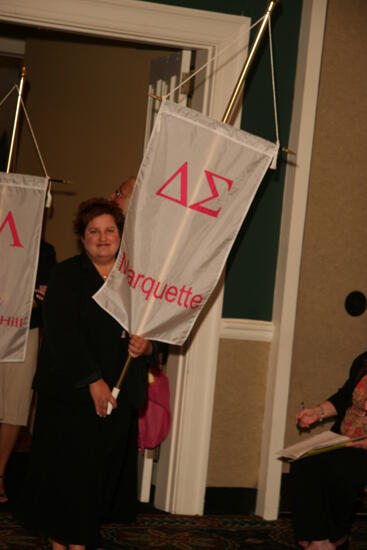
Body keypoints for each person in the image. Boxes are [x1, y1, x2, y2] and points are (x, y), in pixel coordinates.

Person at [18, 198, 155, 550]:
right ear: (82, 238)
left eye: (110, 230)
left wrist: (148, 347)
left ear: (121, 235)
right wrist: (92, 381)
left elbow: (155, 331)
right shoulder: (64, 275)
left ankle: (72, 538)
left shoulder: (136, 280)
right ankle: (68, 541)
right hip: (70, 392)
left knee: (99, 474)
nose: (103, 237)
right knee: (67, 472)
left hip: (119, 393)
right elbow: (63, 335)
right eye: (94, 231)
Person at [290, 351, 367, 550]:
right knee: (303, 461)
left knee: (342, 469)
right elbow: (344, 397)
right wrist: (318, 412)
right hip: (345, 439)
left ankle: (335, 537)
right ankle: (319, 539)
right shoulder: (364, 360)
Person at [0, 238, 56, 503]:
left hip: (24, 331)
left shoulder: (44, 250)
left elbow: (47, 296)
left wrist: (35, 298)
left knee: (15, 404)